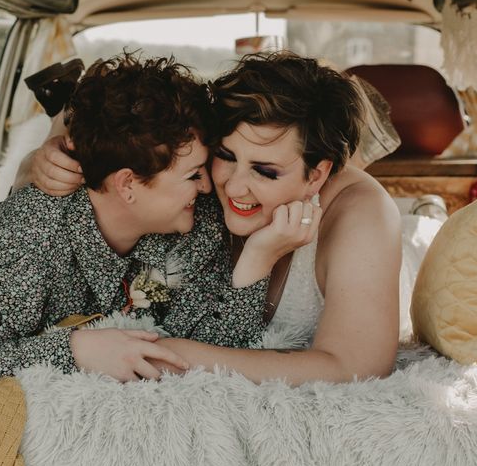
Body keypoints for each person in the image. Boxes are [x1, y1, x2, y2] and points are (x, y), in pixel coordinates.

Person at [29, 52, 402, 385]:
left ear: (318, 175)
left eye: (266, 172)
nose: (233, 187)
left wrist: (168, 355)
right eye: (224, 155)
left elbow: (355, 366)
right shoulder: (195, 175)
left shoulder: (361, 212)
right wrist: (52, 153)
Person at [0, 53, 268, 382]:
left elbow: (217, 347)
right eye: (193, 174)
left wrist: (259, 258)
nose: (208, 187)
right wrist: (77, 350)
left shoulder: (195, 228)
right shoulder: (26, 236)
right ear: (128, 184)